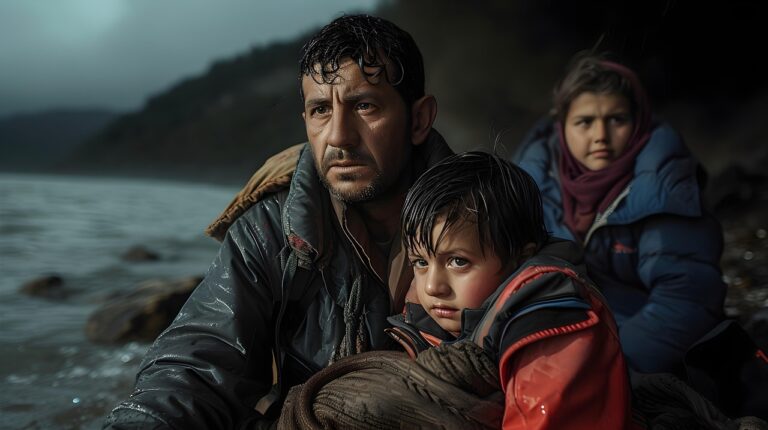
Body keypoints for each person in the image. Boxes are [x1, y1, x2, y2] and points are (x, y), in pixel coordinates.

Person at [103, 14, 452, 429]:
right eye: (320, 110)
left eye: (364, 106)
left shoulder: (485, 221)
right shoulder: (271, 228)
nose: (339, 136)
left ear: (418, 119)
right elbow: (197, 363)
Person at [276, 152, 634, 429]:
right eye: (421, 262)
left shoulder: (550, 322)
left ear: (520, 257)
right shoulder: (428, 326)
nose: (433, 286)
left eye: (458, 262)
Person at [513, 53, 727, 374]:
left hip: (639, 354)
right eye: (585, 122)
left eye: (617, 120)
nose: (601, 134)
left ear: (638, 122)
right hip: (556, 342)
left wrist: (609, 371)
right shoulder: (528, 184)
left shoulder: (663, 186)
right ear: (561, 128)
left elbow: (687, 299)